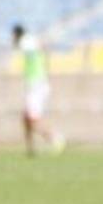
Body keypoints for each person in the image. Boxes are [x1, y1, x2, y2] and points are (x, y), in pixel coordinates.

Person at [11, 24, 64, 157]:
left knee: (32, 119)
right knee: (25, 118)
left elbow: (25, 46)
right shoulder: (30, 41)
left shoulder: (26, 41)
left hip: (36, 85)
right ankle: (30, 149)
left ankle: (55, 138)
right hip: (35, 84)